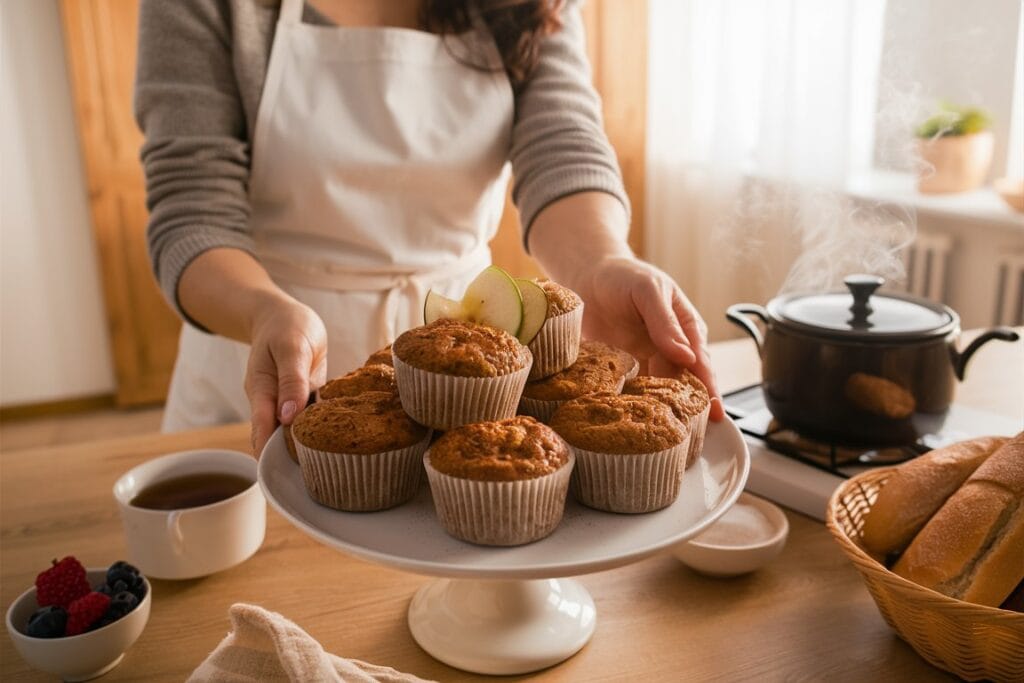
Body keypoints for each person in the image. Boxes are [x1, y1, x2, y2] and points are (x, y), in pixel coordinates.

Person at [136, 0, 723, 455]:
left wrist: (600, 265)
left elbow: (562, 144)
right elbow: (193, 208)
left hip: (471, 370)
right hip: (262, 358)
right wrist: (264, 311)